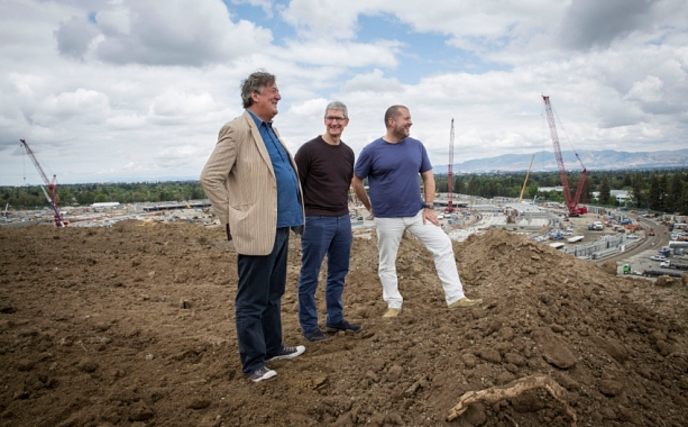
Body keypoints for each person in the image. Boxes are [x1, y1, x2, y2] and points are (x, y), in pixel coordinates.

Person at [200, 71, 306, 382]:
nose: (279, 96)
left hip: (282, 225)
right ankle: (253, 363)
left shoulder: (269, 131)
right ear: (254, 95)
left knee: (273, 293)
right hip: (258, 228)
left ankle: (273, 346)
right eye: (274, 91)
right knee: (252, 299)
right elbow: (210, 177)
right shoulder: (236, 130)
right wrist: (234, 218)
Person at [352, 105, 482, 318]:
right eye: (407, 118)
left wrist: (429, 206)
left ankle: (455, 297)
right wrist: (368, 207)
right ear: (392, 122)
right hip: (387, 218)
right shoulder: (372, 150)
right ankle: (393, 304)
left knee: (443, 245)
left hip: (416, 214)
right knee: (387, 260)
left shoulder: (417, 146)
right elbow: (356, 180)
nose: (410, 122)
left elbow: (428, 177)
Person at [294, 101, 361, 342]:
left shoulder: (348, 152)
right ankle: (310, 327)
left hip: (342, 220)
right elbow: (295, 185)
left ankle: (334, 318)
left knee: (338, 272)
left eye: (339, 119)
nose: (334, 123)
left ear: (346, 122)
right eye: (330, 118)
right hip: (316, 220)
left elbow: (344, 185)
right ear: (324, 120)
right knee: (310, 274)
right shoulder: (308, 151)